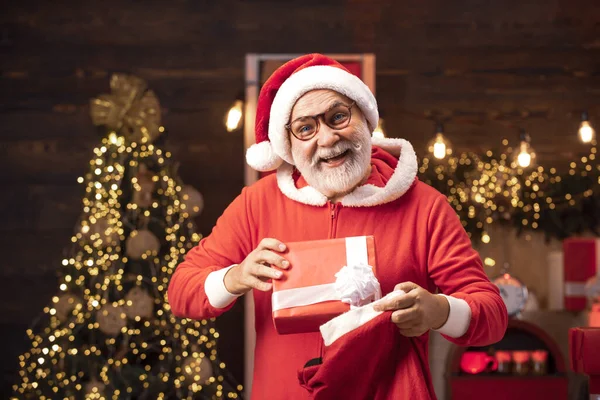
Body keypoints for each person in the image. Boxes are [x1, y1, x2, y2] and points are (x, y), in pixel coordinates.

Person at [168, 53, 508, 399]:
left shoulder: (425, 206)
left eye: (338, 117)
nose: (328, 138)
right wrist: (234, 277)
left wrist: (440, 310)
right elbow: (181, 291)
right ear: (288, 143)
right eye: (306, 128)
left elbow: (492, 314)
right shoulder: (257, 204)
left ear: (364, 117)